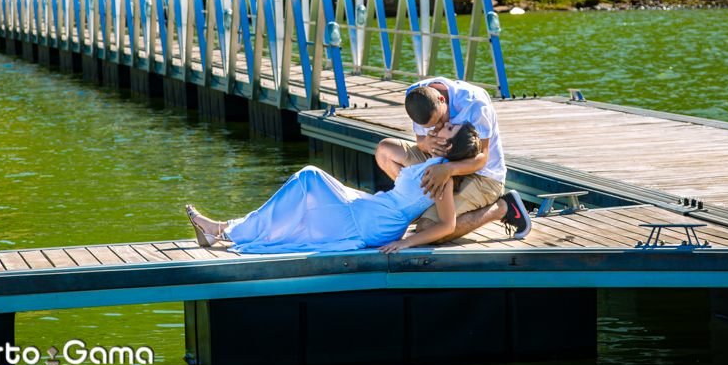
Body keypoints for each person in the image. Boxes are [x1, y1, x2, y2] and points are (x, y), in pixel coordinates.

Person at [185, 122, 482, 254]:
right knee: (306, 202)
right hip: (373, 208)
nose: (442, 125)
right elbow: (391, 148)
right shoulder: (431, 162)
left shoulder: (441, 176)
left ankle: (223, 230)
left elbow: (447, 225)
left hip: (377, 222)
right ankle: (223, 230)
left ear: (449, 145)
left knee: (309, 178)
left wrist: (407, 242)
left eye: (448, 129)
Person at [374, 77, 531, 242]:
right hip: (441, 160)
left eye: (440, 121)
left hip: (482, 175)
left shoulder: (474, 103)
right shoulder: (416, 95)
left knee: (428, 229)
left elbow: (482, 158)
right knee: (385, 151)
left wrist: (447, 170)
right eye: (431, 127)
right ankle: (417, 206)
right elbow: (420, 140)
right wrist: (426, 144)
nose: (438, 127)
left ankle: (502, 208)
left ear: (442, 100)